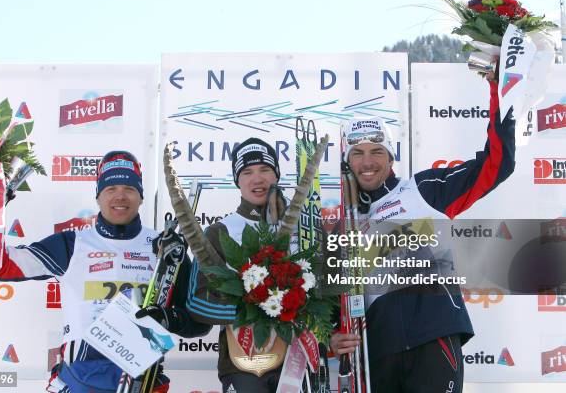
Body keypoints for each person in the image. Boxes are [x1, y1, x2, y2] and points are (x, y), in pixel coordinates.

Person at [329, 77, 515, 393]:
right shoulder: (341, 227)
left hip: (433, 342)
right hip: (377, 357)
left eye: (377, 151)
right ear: (346, 161)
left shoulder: (423, 191)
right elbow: (332, 306)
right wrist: (332, 337)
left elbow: (497, 165)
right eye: (357, 153)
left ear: (390, 158)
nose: (368, 161)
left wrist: (500, 88)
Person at [0, 151, 211, 393]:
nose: (120, 196)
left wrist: (166, 318)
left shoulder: (165, 247)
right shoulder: (72, 244)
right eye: (111, 188)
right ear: (98, 195)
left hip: (142, 382)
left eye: (129, 188)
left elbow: (200, 323)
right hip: (81, 380)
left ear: (141, 196)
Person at [186, 138, 290, 393]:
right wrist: (256, 307)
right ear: (238, 181)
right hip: (244, 365)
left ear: (276, 175)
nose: (257, 179)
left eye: (265, 169)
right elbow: (197, 302)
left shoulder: (306, 228)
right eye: (247, 172)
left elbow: (329, 296)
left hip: (300, 361)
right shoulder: (219, 232)